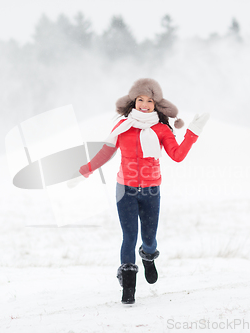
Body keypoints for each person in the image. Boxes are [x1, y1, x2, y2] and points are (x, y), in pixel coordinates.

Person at [73, 78, 209, 304]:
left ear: (156, 104)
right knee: (129, 236)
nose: (144, 104)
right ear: (133, 102)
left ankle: (148, 257)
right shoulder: (122, 127)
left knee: (149, 238)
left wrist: (193, 131)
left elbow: (177, 155)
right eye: (140, 99)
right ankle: (128, 286)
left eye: (149, 100)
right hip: (124, 189)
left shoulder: (161, 129)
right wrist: (84, 170)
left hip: (151, 191)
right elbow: (106, 153)